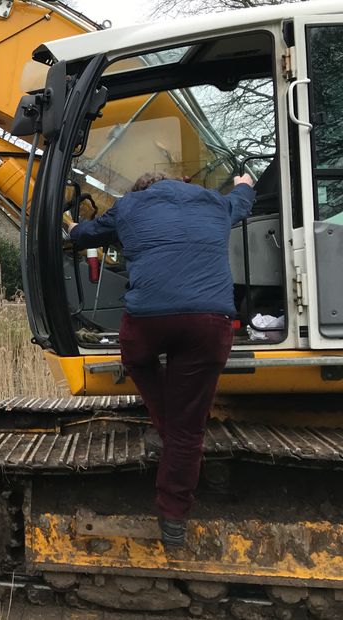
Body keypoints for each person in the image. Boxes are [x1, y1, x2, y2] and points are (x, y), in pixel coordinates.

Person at [68, 171, 256, 548]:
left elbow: (84, 236)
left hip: (149, 323)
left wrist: (72, 226)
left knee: (137, 358)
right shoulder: (215, 203)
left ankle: (172, 437)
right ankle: (173, 519)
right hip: (209, 322)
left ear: (142, 189)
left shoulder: (129, 207)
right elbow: (242, 202)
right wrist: (244, 183)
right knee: (189, 430)